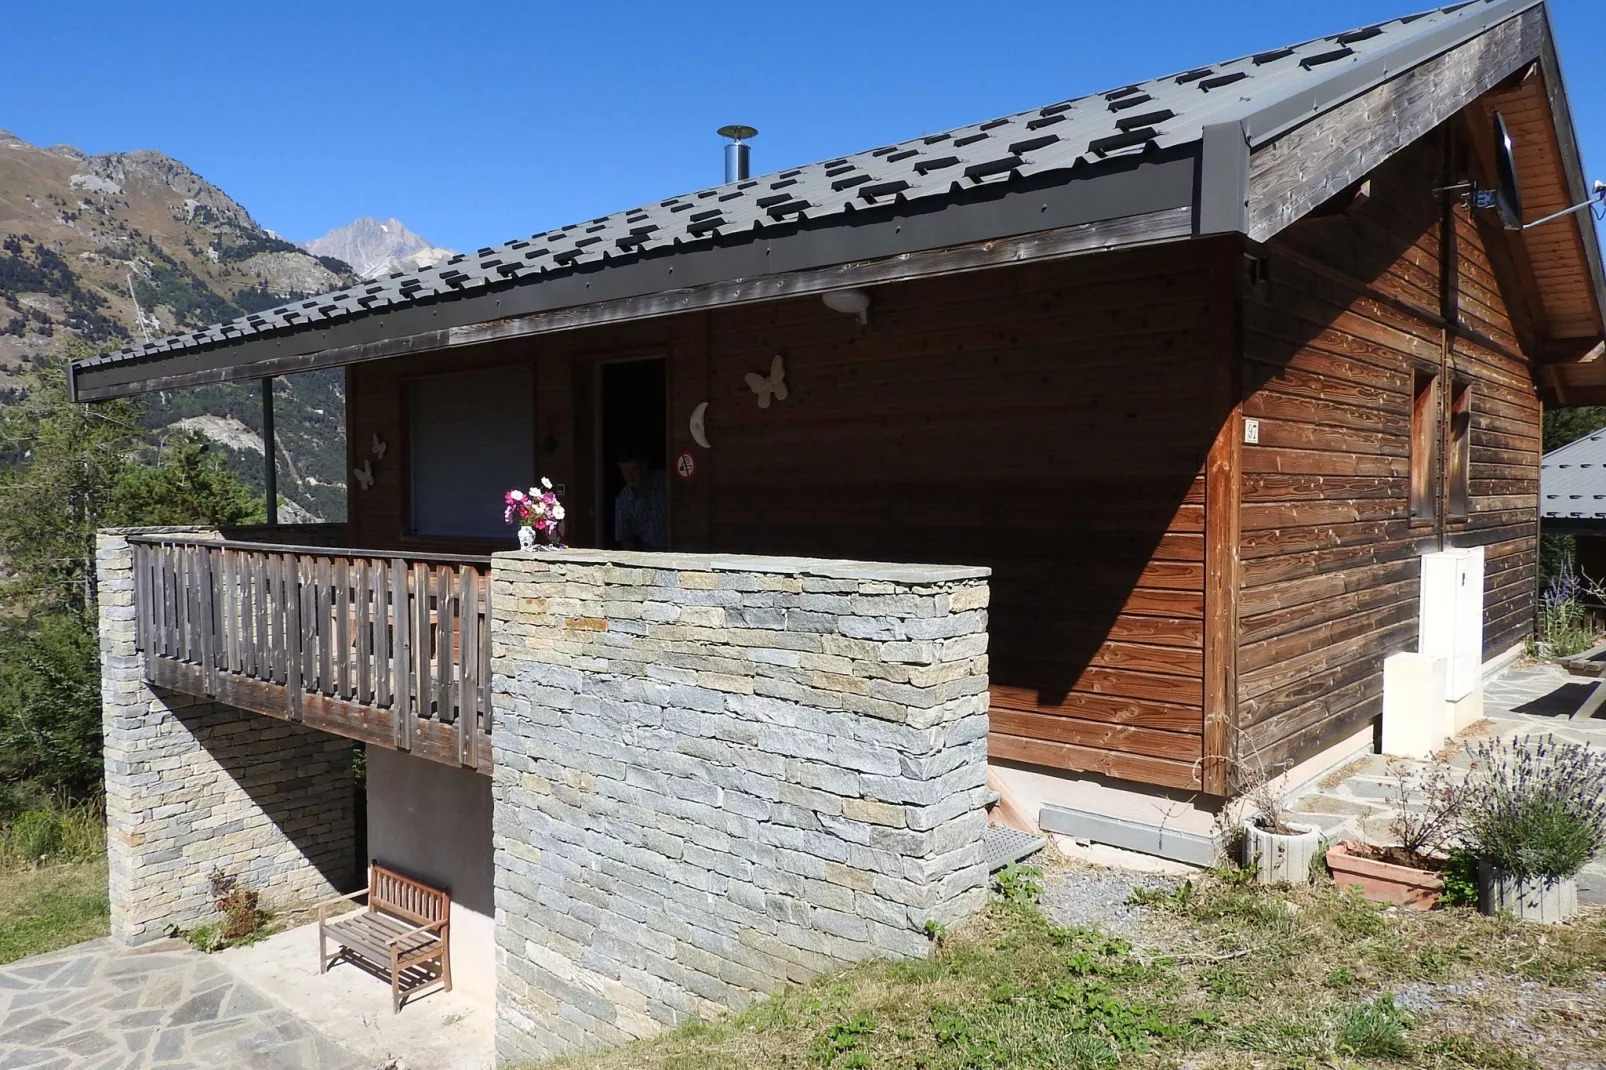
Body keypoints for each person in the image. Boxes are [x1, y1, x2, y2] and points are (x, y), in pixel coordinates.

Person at [613, 447, 667, 551]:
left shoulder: (664, 481)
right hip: (648, 552)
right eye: (625, 471)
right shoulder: (623, 501)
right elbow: (625, 539)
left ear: (644, 466)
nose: (630, 476)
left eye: (634, 469)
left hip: (677, 547)